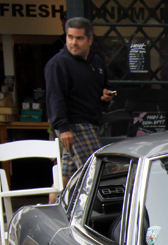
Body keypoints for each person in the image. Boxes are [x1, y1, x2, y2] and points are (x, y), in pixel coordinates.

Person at [44, 17, 115, 194]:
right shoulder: (58, 63)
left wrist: (105, 97)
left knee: (64, 179)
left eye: (79, 38)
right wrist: (63, 127)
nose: (73, 42)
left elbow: (100, 89)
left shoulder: (96, 62)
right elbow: (55, 97)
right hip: (74, 125)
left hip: (92, 123)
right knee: (98, 172)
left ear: (90, 39)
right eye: (70, 37)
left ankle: (51, 214)